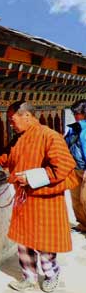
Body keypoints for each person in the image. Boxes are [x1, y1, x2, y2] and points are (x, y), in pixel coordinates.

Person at [0, 101, 79, 293]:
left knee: (44, 242)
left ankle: (51, 274)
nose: (11, 124)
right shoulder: (21, 138)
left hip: (45, 199)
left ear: (26, 115)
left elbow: (63, 166)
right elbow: (11, 157)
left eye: (12, 120)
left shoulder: (49, 136)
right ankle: (29, 277)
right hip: (24, 199)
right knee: (24, 241)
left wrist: (31, 176)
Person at [65, 99, 86, 232]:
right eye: (74, 113)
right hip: (74, 169)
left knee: (85, 199)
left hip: (84, 170)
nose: (75, 115)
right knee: (76, 200)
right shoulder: (73, 129)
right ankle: (83, 224)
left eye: (77, 113)